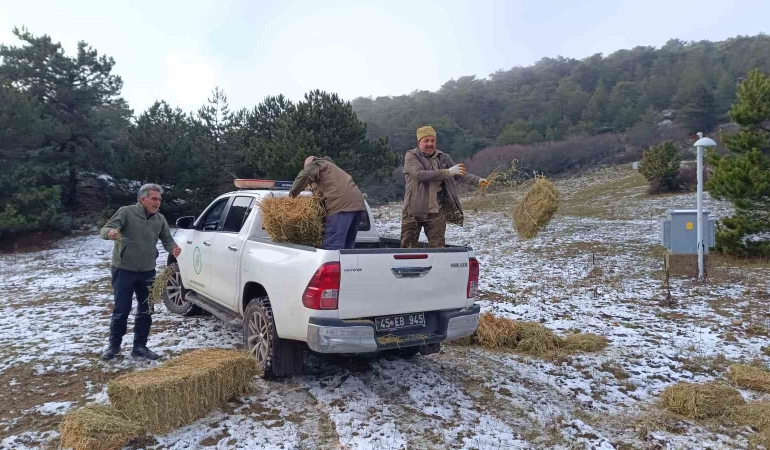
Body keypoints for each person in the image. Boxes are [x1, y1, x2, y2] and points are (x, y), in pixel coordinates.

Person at [99, 183, 181, 361]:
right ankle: (113, 347)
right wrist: (111, 232)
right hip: (124, 270)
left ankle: (140, 347)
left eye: (159, 199)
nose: (157, 202)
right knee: (122, 310)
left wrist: (173, 248)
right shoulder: (126, 212)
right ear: (142, 199)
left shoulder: (159, 219)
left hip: (147, 271)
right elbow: (104, 230)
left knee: (146, 310)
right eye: (153, 198)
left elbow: (167, 239)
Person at [401, 125, 489, 248]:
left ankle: (437, 267)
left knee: (438, 248)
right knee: (408, 247)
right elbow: (420, 175)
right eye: (426, 141)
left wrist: (478, 180)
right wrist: (447, 172)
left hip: (436, 210)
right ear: (419, 142)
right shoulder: (411, 156)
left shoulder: (443, 157)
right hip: (412, 210)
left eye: (432, 140)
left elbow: (459, 173)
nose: (430, 144)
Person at [289, 156, 366, 250]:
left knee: (333, 245)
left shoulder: (317, 164)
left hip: (340, 205)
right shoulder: (334, 170)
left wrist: (292, 194)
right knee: (347, 246)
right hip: (358, 206)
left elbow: (305, 175)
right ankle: (347, 264)